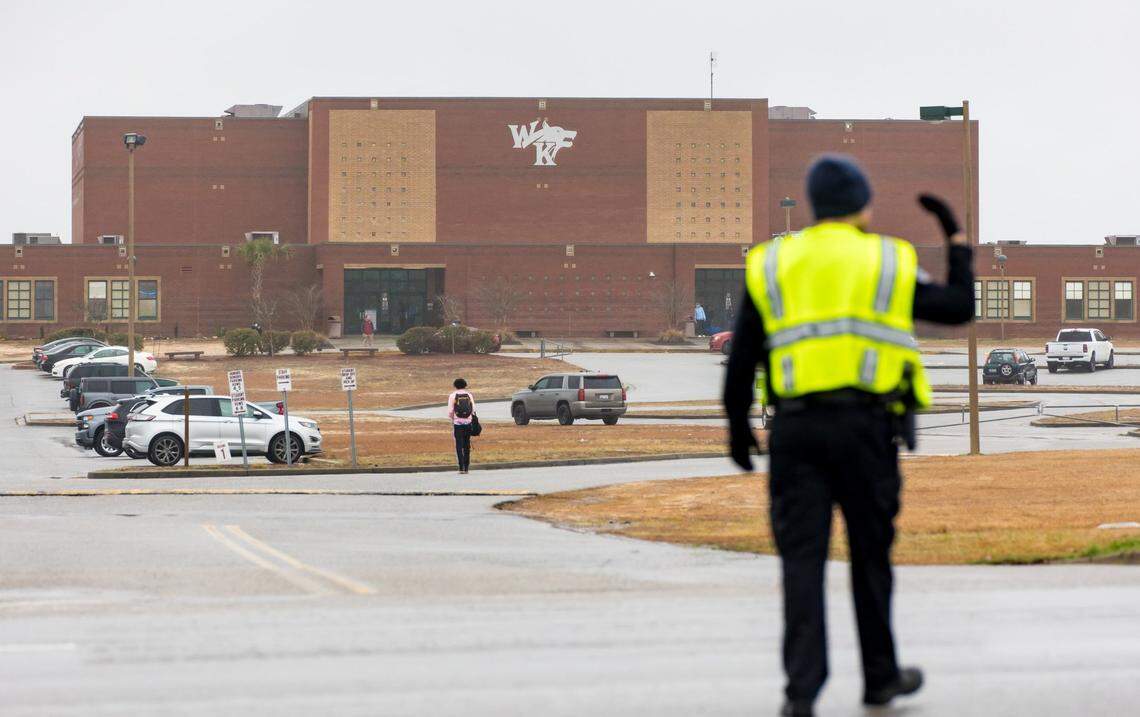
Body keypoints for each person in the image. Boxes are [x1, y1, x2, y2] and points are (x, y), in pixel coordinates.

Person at [723, 155, 974, 717]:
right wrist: (954, 238)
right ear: (863, 204)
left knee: (801, 561)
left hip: (795, 430)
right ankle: (880, 678)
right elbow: (959, 308)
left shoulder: (773, 262)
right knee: (871, 558)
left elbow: (744, 354)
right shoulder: (886, 259)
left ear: (812, 204)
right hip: (867, 430)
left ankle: (801, 693)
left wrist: (738, 428)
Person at [448, 378, 476, 474]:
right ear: (465, 385)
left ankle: (461, 467)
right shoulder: (469, 395)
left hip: (457, 424)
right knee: (467, 445)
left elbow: (450, 411)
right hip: (468, 423)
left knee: (459, 445)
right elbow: (473, 410)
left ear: (455, 386)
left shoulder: (452, 396)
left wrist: (454, 419)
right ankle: (467, 467)